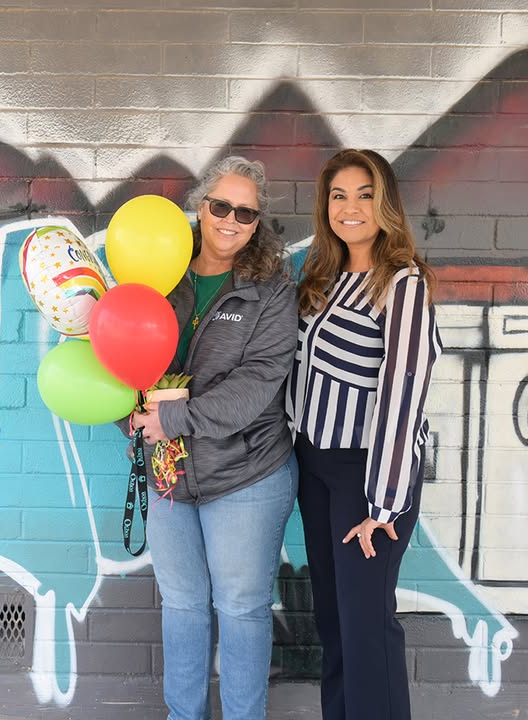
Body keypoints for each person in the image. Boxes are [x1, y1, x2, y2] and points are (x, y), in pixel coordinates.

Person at [129, 155, 298, 720]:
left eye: (245, 213)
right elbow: (122, 359)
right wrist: (129, 414)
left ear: (257, 224)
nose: (230, 220)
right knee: (181, 605)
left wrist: (171, 420)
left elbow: (258, 386)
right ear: (199, 208)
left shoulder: (269, 289)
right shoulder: (158, 277)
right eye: (219, 206)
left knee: (242, 607)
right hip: (170, 472)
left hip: (246, 473)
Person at [289, 149, 442, 720]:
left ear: (386, 204)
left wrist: (383, 505)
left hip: (367, 477)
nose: (350, 208)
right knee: (333, 623)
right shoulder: (322, 278)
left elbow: (404, 394)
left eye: (364, 194)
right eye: (338, 195)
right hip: (314, 468)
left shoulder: (402, 285)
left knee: (366, 626)